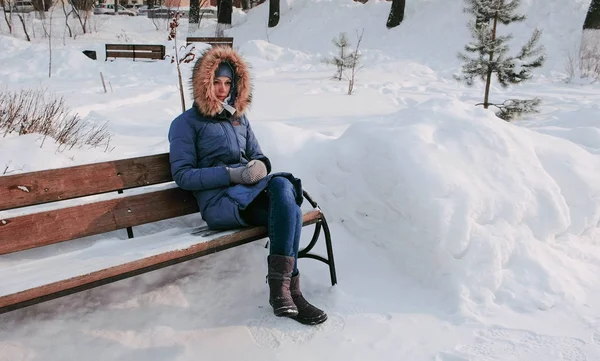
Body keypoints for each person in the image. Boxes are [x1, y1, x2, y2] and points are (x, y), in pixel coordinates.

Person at [168, 46, 327, 325]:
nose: (222, 89)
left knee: (282, 188)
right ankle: (292, 294)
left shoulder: (238, 118)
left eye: (228, 83)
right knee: (286, 210)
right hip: (219, 204)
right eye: (216, 82)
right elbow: (183, 176)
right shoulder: (185, 124)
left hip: (246, 195)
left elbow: (258, 155)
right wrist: (231, 174)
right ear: (202, 83)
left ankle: (283, 291)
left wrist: (261, 167)